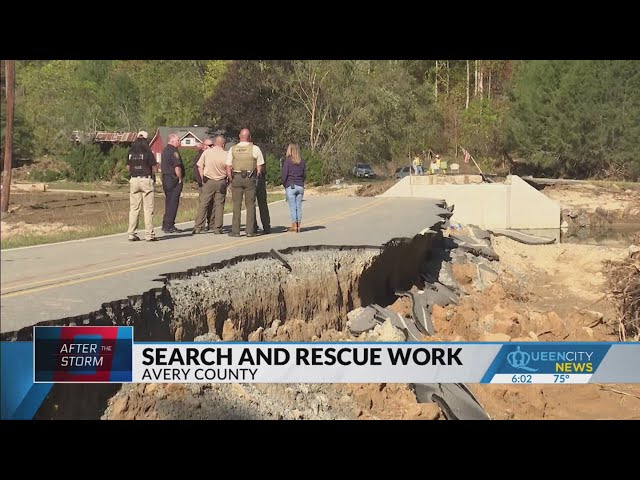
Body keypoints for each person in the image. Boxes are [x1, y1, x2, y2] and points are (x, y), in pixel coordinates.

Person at [225, 128, 264, 237]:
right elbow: (259, 166)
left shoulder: (232, 149)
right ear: (249, 137)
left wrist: (231, 178)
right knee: (250, 204)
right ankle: (250, 231)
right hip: (249, 177)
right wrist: (257, 177)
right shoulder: (255, 149)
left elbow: (228, 166)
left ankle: (235, 231)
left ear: (239, 136)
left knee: (236, 205)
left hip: (236, 177)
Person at [193, 135, 228, 234]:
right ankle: (217, 228)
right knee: (219, 204)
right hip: (221, 180)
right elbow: (229, 168)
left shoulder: (207, 152)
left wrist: (203, 177)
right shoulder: (226, 154)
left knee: (204, 203)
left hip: (208, 180)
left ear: (215, 143)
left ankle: (198, 226)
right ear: (223, 144)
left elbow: (199, 166)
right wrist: (228, 180)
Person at [126, 131, 157, 242]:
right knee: (148, 209)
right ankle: (149, 235)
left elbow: (128, 168)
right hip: (145, 179)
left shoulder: (131, 151)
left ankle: (132, 233)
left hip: (133, 179)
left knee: (134, 208)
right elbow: (154, 168)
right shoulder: (147, 151)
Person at [160, 133, 184, 233]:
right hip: (173, 179)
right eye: (178, 140)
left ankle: (166, 224)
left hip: (166, 178)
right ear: (172, 141)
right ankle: (170, 225)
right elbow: (177, 166)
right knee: (173, 203)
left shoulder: (165, 150)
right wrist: (180, 178)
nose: (179, 142)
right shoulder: (174, 151)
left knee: (168, 201)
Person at [280, 142, 306, 233]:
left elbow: (284, 175)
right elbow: (304, 175)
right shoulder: (302, 161)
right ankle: (299, 225)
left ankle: (294, 225)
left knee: (292, 207)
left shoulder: (287, 161)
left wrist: (284, 184)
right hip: (300, 186)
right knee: (298, 206)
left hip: (291, 186)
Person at [193, 138, 215, 230]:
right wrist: (202, 182)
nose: (212, 147)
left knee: (212, 204)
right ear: (204, 146)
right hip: (204, 183)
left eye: (212, 145)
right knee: (204, 204)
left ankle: (211, 223)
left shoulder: (211, 155)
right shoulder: (200, 156)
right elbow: (197, 170)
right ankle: (199, 225)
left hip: (211, 182)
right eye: (210, 145)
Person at [253, 159, 271, 234]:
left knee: (251, 204)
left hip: (250, 177)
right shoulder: (260, 149)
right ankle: (266, 226)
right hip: (260, 177)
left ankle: (253, 226)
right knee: (262, 203)